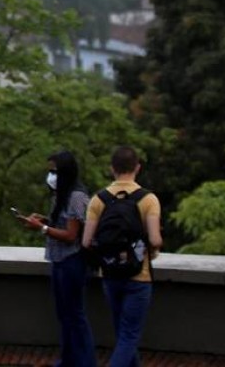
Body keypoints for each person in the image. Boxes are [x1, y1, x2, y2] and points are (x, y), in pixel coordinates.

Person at [82, 146, 163, 367]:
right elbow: (155, 239)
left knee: (124, 335)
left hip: (110, 274)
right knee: (129, 336)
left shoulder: (98, 200)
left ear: (112, 169)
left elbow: (86, 241)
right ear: (137, 167)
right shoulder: (148, 200)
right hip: (139, 276)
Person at [17, 151, 96, 367]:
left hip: (73, 261)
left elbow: (71, 235)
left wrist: (41, 228)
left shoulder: (76, 196)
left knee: (75, 315)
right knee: (64, 315)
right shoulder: (60, 194)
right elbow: (61, 223)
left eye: (54, 171)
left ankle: (85, 362)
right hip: (58, 259)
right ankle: (68, 360)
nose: (50, 176)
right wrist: (44, 220)